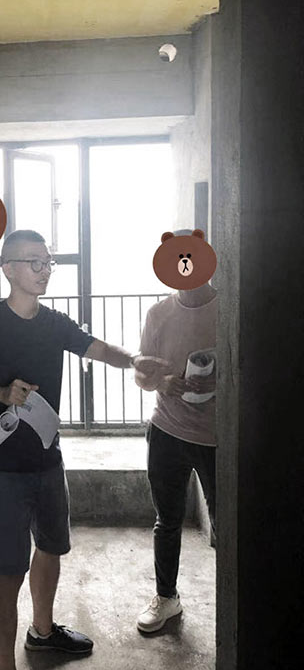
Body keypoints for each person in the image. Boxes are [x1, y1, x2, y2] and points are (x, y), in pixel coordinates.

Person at [0, 229, 169, 670]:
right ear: (7, 268)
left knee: (51, 547)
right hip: (2, 468)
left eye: (48, 261)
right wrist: (0, 394)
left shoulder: (54, 323)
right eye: (34, 262)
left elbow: (99, 348)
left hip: (48, 459)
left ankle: (42, 631)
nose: (45, 270)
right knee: (9, 572)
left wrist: (136, 360)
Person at [134, 251, 217, 633]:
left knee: (227, 524)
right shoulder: (159, 314)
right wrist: (162, 382)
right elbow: (142, 375)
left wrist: (219, 380)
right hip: (167, 430)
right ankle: (166, 597)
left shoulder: (228, 309)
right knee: (167, 521)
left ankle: (234, 601)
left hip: (217, 436)